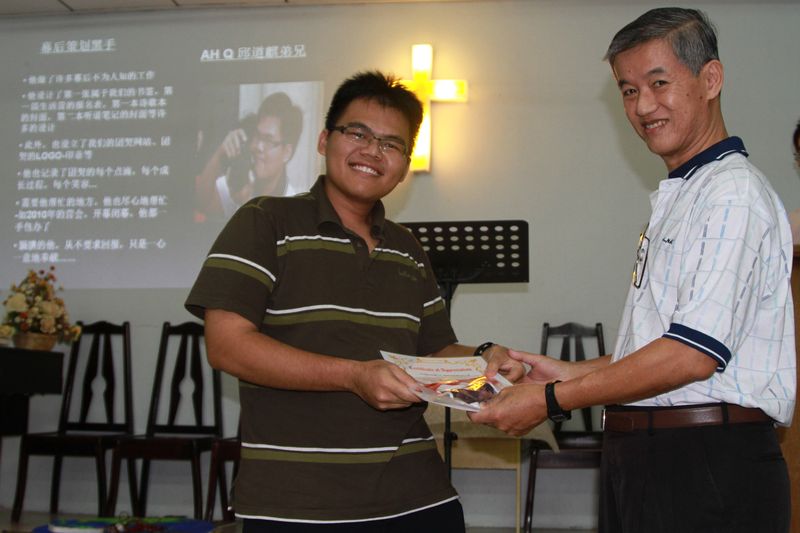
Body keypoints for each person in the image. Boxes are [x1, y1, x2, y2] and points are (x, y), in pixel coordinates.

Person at [471, 8, 796, 533]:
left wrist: (550, 399)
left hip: (703, 462)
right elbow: (665, 343)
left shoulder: (732, 193)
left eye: (659, 83)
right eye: (628, 90)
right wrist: (568, 372)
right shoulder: (687, 192)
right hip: (653, 456)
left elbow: (691, 356)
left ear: (711, 79)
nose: (643, 106)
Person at [185, 71, 522, 532]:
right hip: (297, 503)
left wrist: (485, 361)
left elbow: (435, 351)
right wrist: (354, 376)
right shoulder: (264, 220)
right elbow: (226, 346)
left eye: (391, 144)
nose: (372, 151)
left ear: (404, 164)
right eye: (358, 134)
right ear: (324, 140)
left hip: (419, 496)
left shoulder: (407, 247)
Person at [195, 91, 304, 220]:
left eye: (268, 140)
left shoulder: (294, 209)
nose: (258, 146)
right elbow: (201, 202)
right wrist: (220, 154)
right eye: (257, 136)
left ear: (287, 152)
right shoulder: (242, 181)